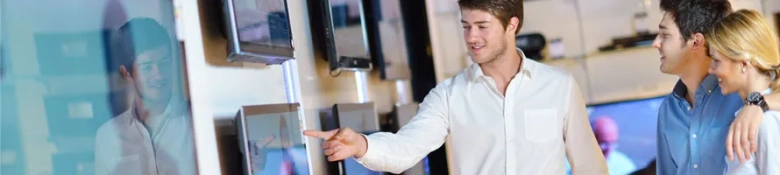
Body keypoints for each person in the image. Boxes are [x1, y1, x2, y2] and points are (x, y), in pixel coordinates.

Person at [303, 0, 608, 174]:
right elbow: (406, 148)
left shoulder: (559, 87)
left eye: (482, 26)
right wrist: (362, 145)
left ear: (512, 25)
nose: (471, 37)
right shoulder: (449, 95)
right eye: (466, 26)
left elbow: (590, 167)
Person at [94, 17, 196, 175]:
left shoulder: (196, 121)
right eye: (147, 67)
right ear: (126, 72)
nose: (159, 75)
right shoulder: (107, 137)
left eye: (164, 63)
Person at [706, 9, 780, 174]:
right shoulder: (749, 114)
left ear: (744, 64)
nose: (710, 69)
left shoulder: (765, 121)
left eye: (716, 61)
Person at [564, 116, 637, 175]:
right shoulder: (567, 165)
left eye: (612, 144)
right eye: (603, 144)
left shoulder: (624, 165)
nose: (609, 150)